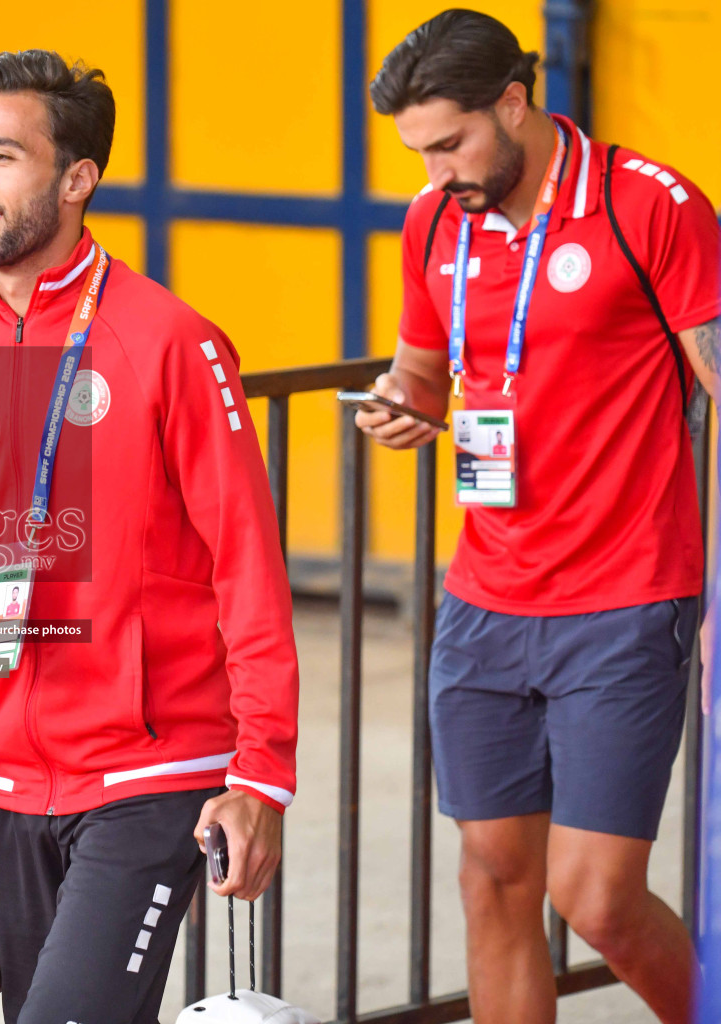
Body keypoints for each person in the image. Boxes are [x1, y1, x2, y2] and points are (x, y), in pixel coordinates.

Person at [0, 49, 300, 1024]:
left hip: (152, 770)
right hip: (5, 774)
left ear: (77, 179)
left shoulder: (172, 341)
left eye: (3, 155)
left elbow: (248, 568)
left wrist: (262, 770)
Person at [360, 11, 719, 1024]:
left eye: (450, 144)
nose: (435, 174)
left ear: (513, 102)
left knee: (594, 892)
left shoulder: (650, 206)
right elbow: (426, 366)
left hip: (627, 596)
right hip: (486, 599)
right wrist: (406, 405)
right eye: (419, 153)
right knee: (492, 875)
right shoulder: (434, 221)